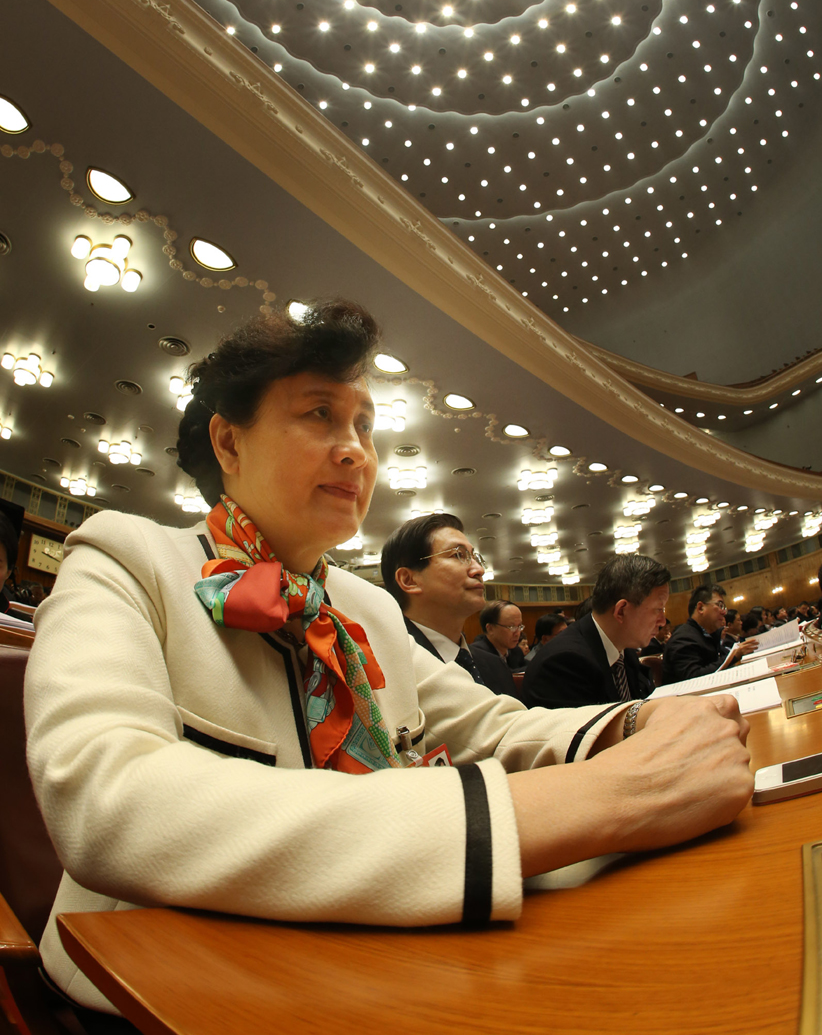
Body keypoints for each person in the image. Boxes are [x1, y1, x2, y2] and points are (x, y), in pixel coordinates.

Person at [25, 302, 754, 1022]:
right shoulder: (127, 556)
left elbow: (493, 728)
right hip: (153, 992)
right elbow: (105, 800)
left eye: (364, 426)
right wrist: (606, 799)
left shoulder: (366, 607)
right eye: (319, 415)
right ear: (228, 442)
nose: (356, 451)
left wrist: (643, 723)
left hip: (376, 965)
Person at [380, 512, 518, 696]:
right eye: (458, 555)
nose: (479, 570)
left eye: (475, 557)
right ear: (409, 580)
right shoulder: (384, 669)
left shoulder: (493, 665)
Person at [522, 555, 668, 710]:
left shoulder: (624, 649)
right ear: (621, 611)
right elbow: (598, 732)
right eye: (658, 610)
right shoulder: (563, 664)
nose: (663, 621)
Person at [663, 587, 759, 685]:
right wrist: (732, 656)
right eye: (720, 605)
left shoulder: (706, 634)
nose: (724, 612)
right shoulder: (683, 638)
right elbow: (693, 678)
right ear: (701, 608)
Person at [471, 601, 527, 671]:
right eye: (511, 627)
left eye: (519, 626)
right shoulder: (477, 653)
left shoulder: (516, 651)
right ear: (490, 629)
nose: (517, 633)